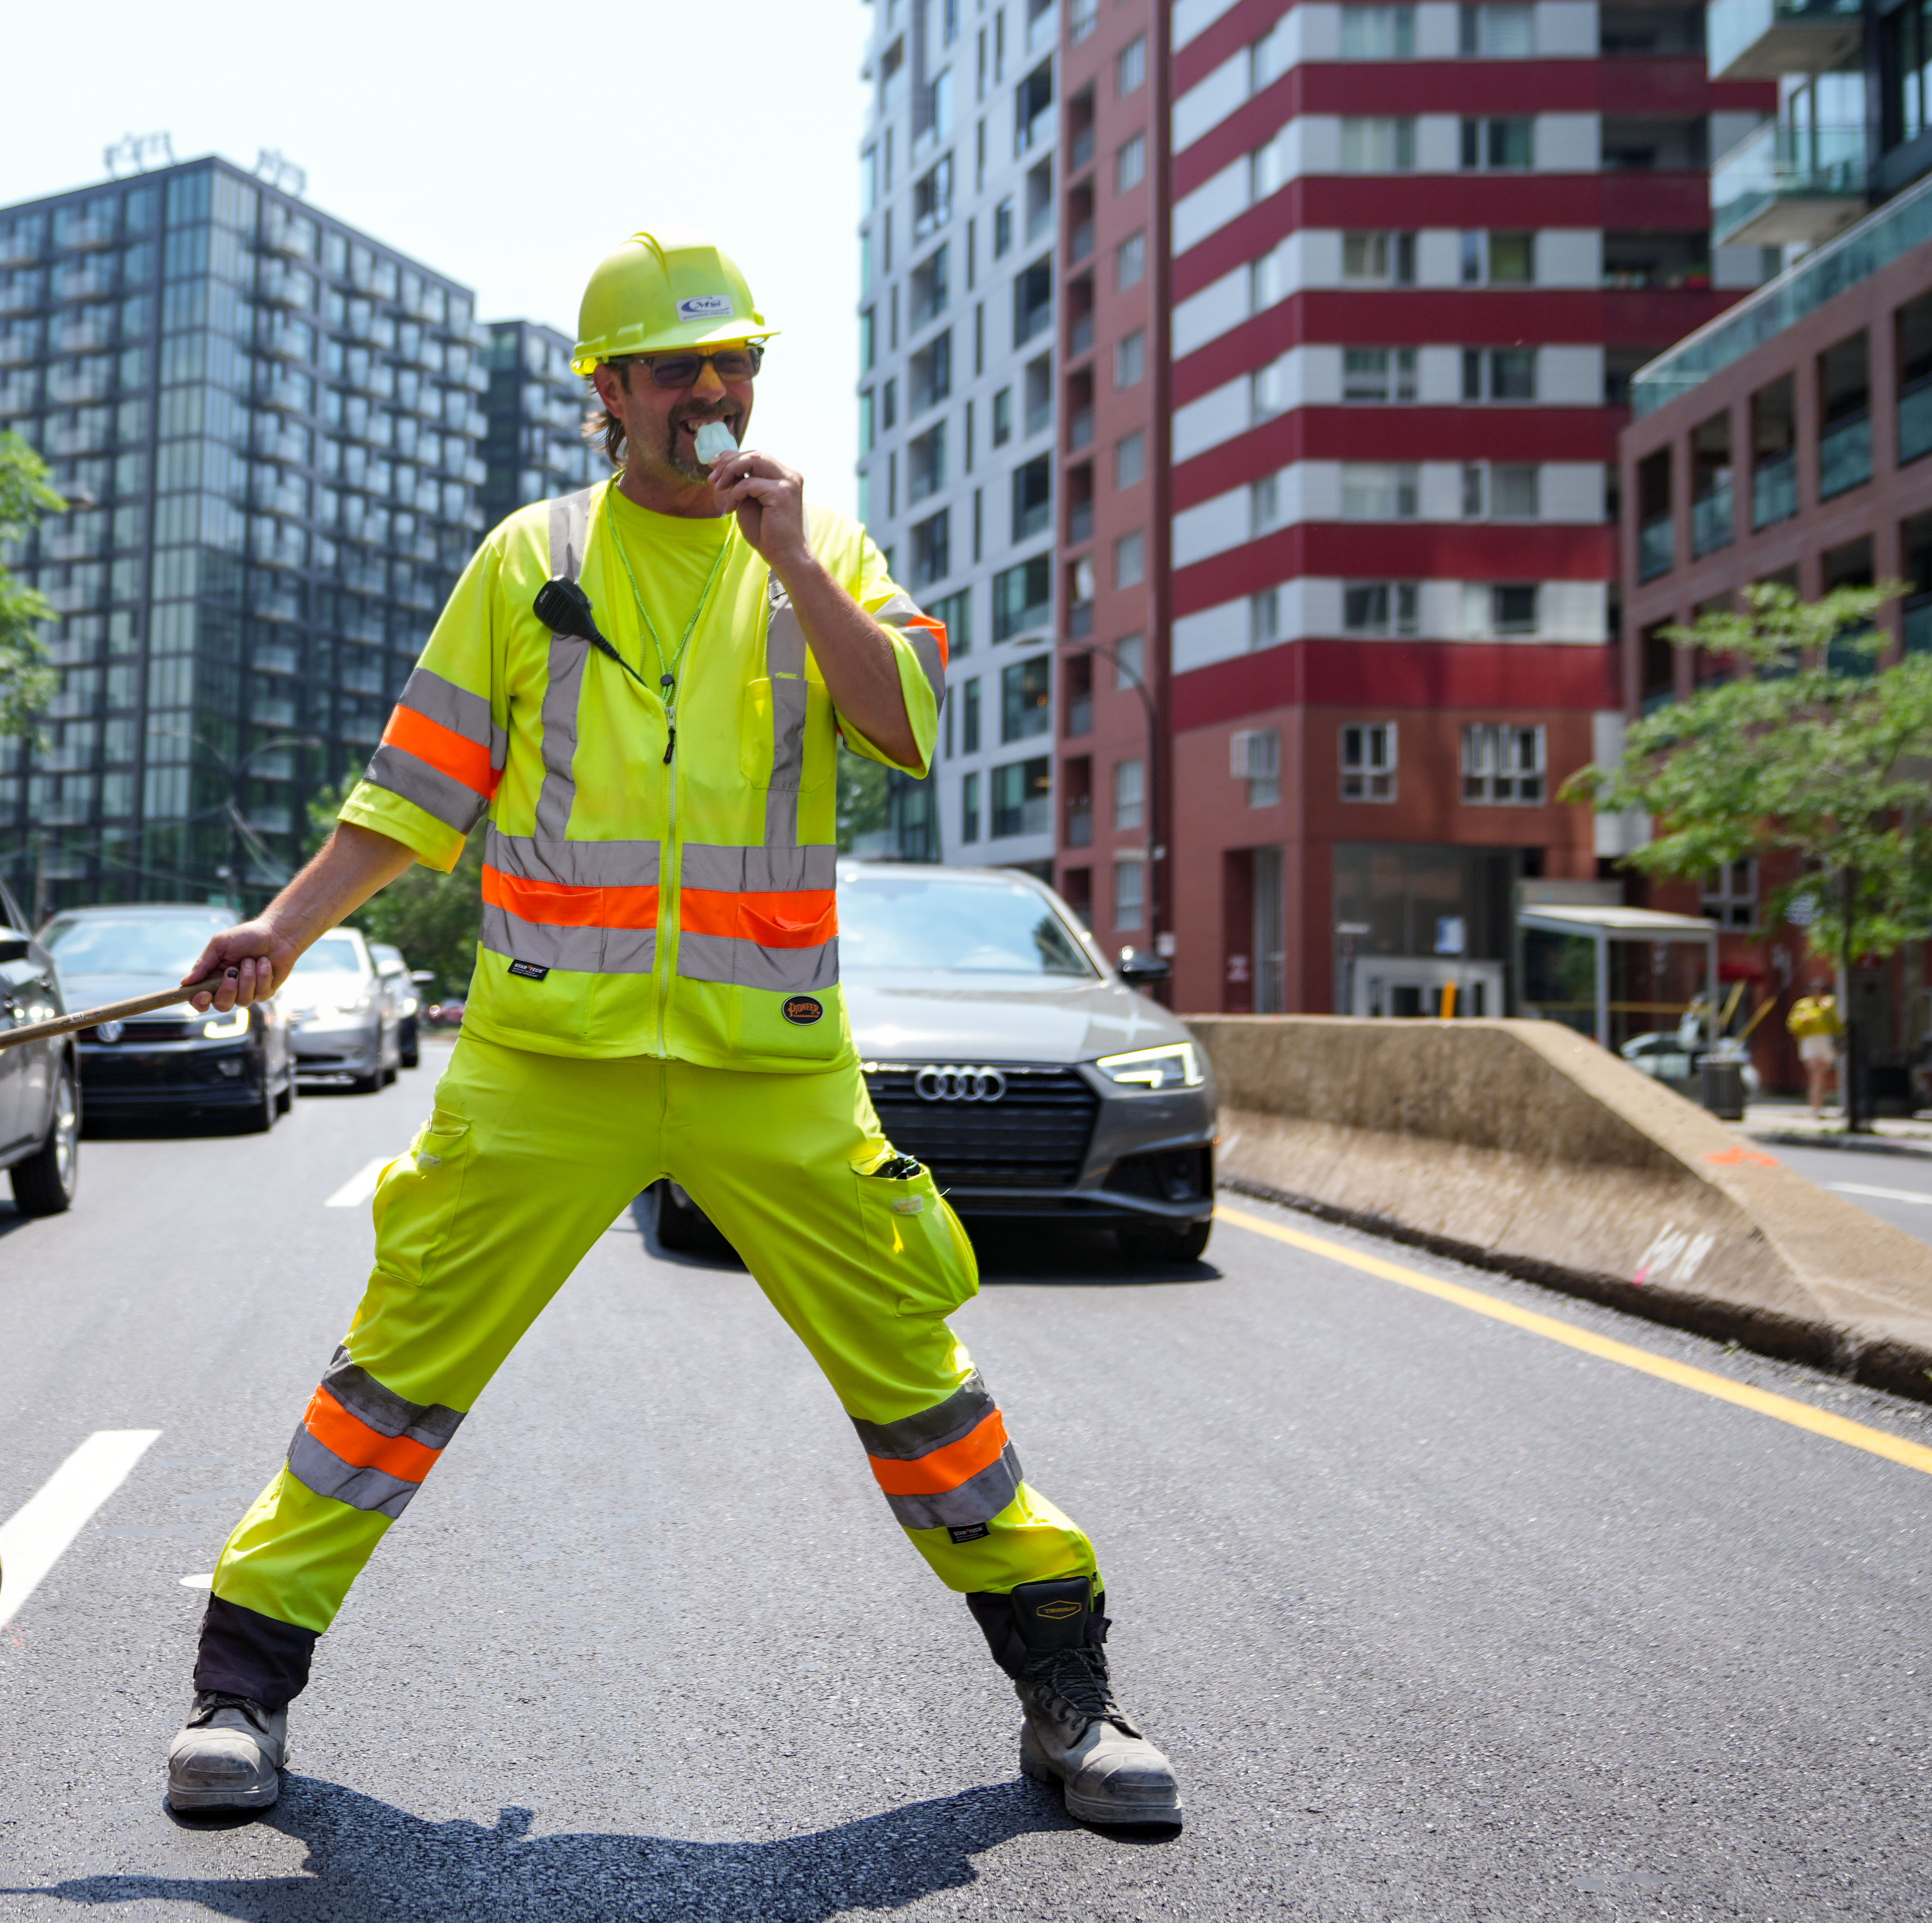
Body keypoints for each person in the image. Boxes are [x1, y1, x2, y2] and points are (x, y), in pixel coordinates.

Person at [161, 235, 1184, 1829]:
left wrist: (793, 566)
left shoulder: (820, 546)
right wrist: (281, 933)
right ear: (612, 392)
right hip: (542, 1063)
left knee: (916, 1375)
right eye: (679, 369)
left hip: (769, 1065)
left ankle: (1069, 1683)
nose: (714, 394)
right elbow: (415, 790)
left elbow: (906, 726)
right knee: (398, 1367)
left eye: (736, 365)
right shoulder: (527, 557)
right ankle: (240, 1684)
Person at [1789, 973, 1845, 1118]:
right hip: (1810, 1042)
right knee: (1816, 1074)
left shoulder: (1830, 1003)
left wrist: (1825, 1010)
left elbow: (1837, 1024)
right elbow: (1793, 1024)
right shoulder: (1803, 1005)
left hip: (1825, 1041)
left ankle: (1819, 1106)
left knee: (1822, 1076)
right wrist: (1804, 1021)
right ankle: (1816, 1107)